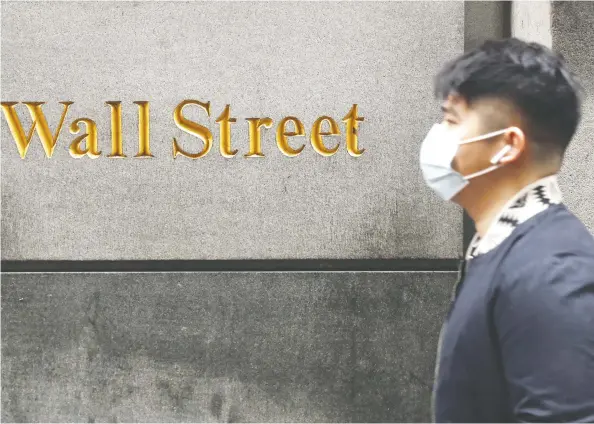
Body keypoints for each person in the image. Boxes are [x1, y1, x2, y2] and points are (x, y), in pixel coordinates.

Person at [421, 37, 594, 422]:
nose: (437, 135)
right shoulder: (509, 248)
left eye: (451, 120)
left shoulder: (552, 271)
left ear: (507, 146)